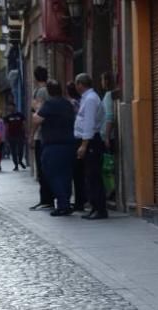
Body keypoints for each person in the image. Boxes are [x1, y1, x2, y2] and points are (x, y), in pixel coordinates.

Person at [30, 80, 77, 217]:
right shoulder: (67, 103)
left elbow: (36, 120)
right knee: (66, 175)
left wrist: (36, 108)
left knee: (52, 173)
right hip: (69, 144)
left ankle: (62, 205)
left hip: (53, 145)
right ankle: (66, 202)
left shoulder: (50, 104)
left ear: (49, 92)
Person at [73, 73, 107, 219]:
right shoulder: (86, 98)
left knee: (93, 175)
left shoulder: (91, 99)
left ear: (80, 84)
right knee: (89, 175)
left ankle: (99, 208)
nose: (76, 87)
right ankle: (94, 206)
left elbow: (89, 123)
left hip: (91, 141)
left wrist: (84, 145)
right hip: (88, 141)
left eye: (76, 84)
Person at [29, 66, 54, 210]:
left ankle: (46, 199)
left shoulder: (40, 92)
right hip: (47, 135)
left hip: (41, 136)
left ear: (35, 77)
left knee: (42, 168)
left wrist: (32, 135)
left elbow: (37, 114)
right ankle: (48, 198)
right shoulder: (49, 90)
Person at [66, 80, 87, 212]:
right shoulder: (83, 101)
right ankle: (83, 199)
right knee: (82, 172)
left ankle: (80, 201)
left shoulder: (72, 104)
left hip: (76, 139)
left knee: (77, 172)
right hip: (83, 138)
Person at [99, 71, 117, 201]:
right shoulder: (108, 95)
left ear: (106, 81)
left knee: (107, 167)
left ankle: (111, 190)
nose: (101, 83)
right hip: (107, 136)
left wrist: (106, 137)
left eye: (102, 80)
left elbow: (110, 117)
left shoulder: (108, 96)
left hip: (108, 137)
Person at [4, 102, 27, 170]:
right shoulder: (7, 117)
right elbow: (6, 126)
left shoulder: (20, 115)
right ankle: (16, 165)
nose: (11, 109)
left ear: (14, 107)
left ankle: (20, 160)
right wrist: (6, 136)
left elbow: (24, 124)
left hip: (20, 135)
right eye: (9, 107)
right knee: (13, 151)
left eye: (12, 107)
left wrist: (26, 133)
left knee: (20, 149)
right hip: (11, 136)